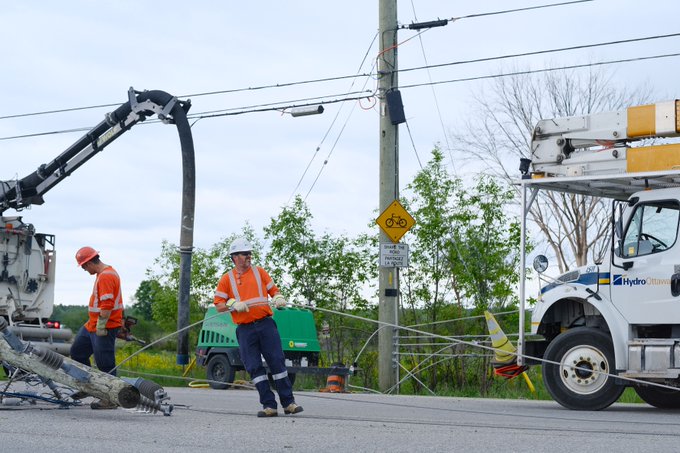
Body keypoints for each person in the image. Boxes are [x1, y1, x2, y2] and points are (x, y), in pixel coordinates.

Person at [214, 237, 303, 417]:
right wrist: (232, 303)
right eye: (244, 254)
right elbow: (218, 304)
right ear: (234, 257)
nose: (248, 257)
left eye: (249, 253)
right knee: (254, 367)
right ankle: (269, 405)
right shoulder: (226, 279)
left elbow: (274, 290)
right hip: (245, 329)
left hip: (266, 325)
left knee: (277, 361)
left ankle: (289, 403)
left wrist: (278, 298)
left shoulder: (260, 272)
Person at [70, 246, 124, 410]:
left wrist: (101, 326)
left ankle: (110, 398)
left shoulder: (106, 276)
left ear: (89, 263)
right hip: (91, 325)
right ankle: (87, 386)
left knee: (105, 363)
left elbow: (107, 304)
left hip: (104, 327)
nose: (85, 270)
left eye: (84, 267)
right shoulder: (103, 274)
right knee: (78, 352)